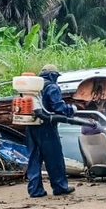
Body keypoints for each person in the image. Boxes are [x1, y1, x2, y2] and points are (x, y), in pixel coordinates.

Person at [26, 64, 77, 198]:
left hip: (31, 125)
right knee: (54, 157)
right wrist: (71, 109)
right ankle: (60, 187)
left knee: (34, 159)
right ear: (53, 75)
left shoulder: (31, 87)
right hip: (46, 126)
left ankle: (35, 190)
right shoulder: (51, 87)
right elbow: (57, 107)